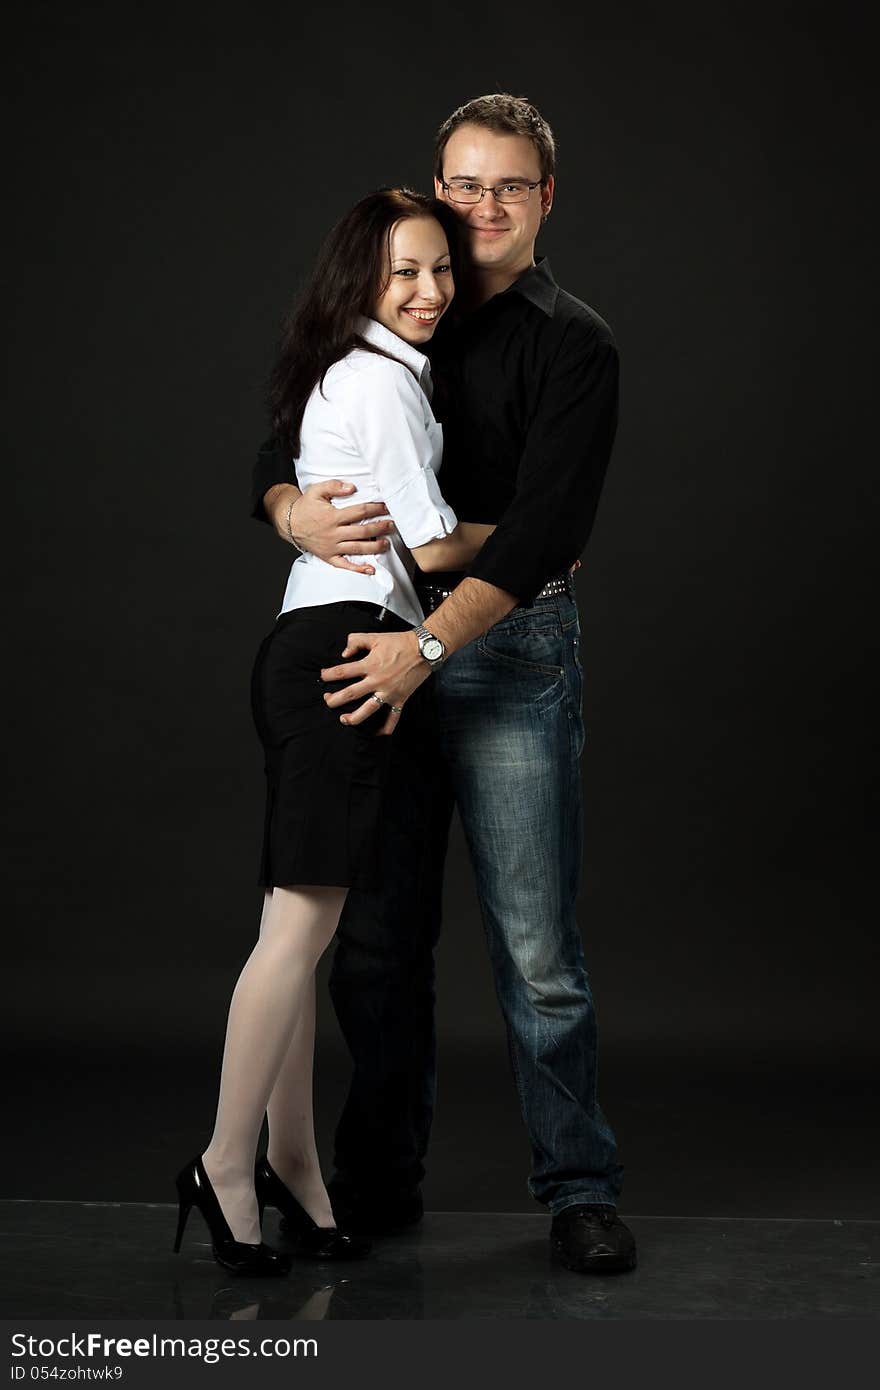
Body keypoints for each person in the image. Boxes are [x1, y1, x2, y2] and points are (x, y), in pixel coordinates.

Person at [252, 94, 637, 1275]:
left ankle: (577, 1186)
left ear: (544, 198)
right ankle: (378, 1180)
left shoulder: (574, 341)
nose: (481, 209)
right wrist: (290, 508)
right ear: (436, 184)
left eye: (507, 187)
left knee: (535, 951)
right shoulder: (393, 296)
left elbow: (545, 535)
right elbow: (286, 442)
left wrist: (433, 637)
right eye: (462, 184)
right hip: (378, 646)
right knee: (377, 938)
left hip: (505, 656)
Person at [174, 188, 495, 1276]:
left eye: (441, 270)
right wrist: (545, 534)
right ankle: (224, 1165)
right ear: (360, 279)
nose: (428, 290)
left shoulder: (357, 374)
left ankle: (297, 1172)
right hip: (340, 655)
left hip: (315, 649)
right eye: (404, 272)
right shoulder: (377, 381)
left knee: (299, 931)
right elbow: (440, 547)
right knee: (296, 937)